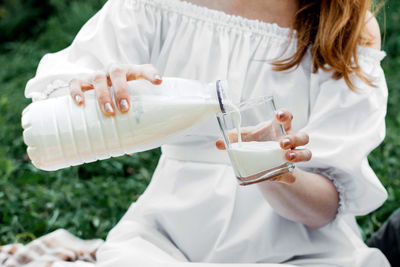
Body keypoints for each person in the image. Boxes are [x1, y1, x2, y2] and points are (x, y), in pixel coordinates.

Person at [25, 0, 391, 266]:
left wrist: (274, 171)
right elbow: (47, 116)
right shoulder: (155, 7)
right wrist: (98, 96)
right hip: (164, 240)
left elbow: (321, 211)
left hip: (300, 253)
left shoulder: (344, 27)